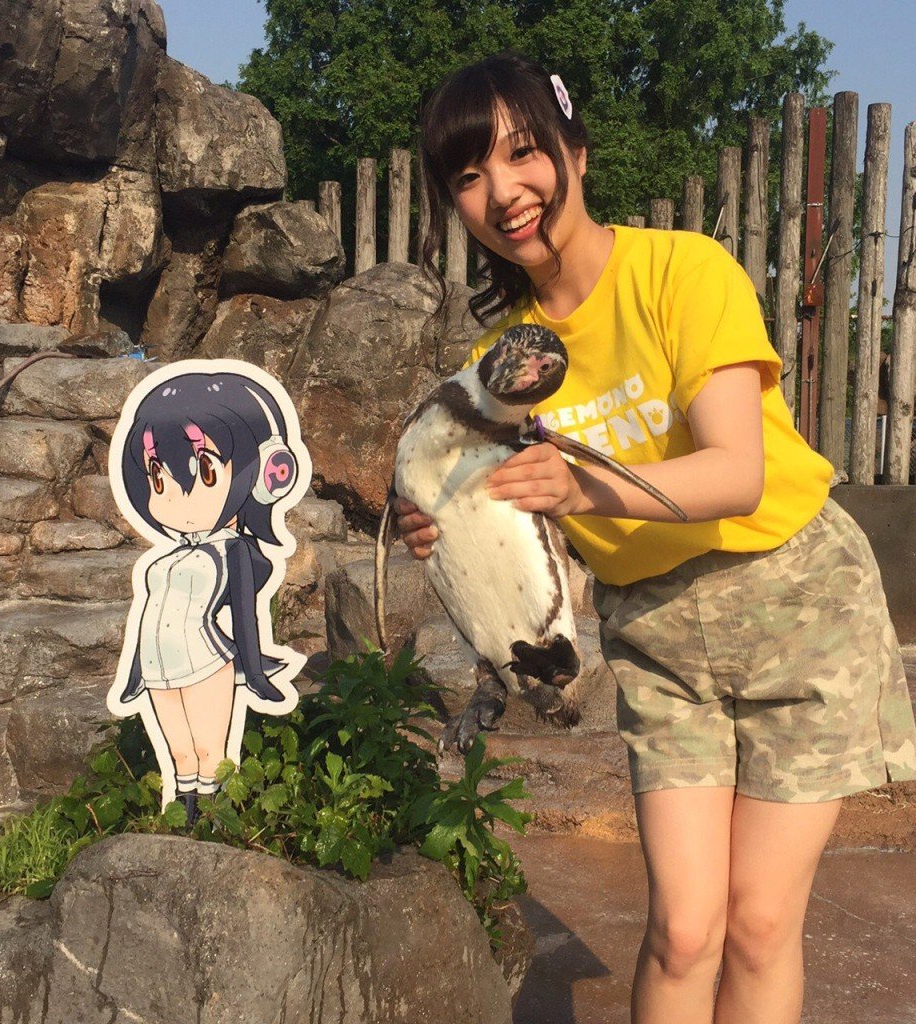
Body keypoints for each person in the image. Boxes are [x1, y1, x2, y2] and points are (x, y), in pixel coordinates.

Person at [400, 51, 916, 1023]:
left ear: (576, 153)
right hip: (658, 635)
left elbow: (735, 471)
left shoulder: (683, 271)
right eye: (468, 175)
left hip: (796, 604)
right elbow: (489, 512)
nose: (502, 191)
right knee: (683, 930)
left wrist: (578, 484)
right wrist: (441, 523)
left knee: (759, 923)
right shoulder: (499, 362)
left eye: (522, 152)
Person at [109, 368, 303, 821]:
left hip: (205, 662)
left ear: (265, 474)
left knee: (208, 754)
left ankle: (214, 830)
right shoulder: (163, 559)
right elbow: (147, 616)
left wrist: (256, 676)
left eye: (205, 471)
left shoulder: (233, 550)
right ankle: (181, 828)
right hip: (156, 666)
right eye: (157, 478)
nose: (176, 497)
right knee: (180, 757)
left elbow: (247, 618)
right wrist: (134, 674)